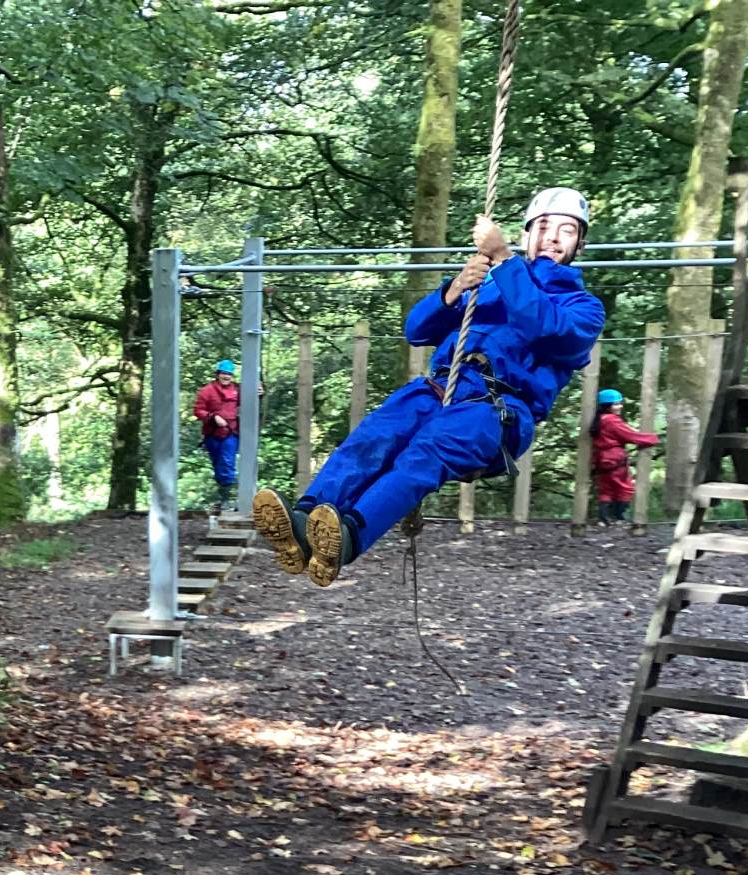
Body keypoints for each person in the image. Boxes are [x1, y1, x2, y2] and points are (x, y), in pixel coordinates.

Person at [254, 189, 607, 586]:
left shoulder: (583, 308)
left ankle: (349, 536)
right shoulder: (489, 285)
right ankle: (304, 524)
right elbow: (416, 330)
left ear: (580, 244)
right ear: (527, 234)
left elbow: (542, 327)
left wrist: (505, 260)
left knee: (424, 454)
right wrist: (454, 290)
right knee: (373, 437)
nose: (552, 237)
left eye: (566, 231)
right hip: (441, 387)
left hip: (497, 408)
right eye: (542, 227)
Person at [589, 388, 659, 525]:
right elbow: (629, 435)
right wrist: (652, 439)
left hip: (601, 459)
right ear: (607, 406)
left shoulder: (599, 419)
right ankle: (619, 518)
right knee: (625, 487)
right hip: (614, 458)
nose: (620, 406)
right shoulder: (612, 420)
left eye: (620, 403)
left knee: (606, 488)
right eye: (616, 404)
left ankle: (603, 519)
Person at [192, 359, 242, 512]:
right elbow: (198, 410)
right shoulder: (207, 391)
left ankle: (228, 499)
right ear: (218, 374)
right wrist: (212, 417)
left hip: (230, 433)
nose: (226, 376)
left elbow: (251, 400)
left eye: (229, 374)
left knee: (228, 462)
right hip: (212, 435)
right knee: (218, 465)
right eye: (224, 373)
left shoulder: (238, 390)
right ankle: (223, 498)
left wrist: (260, 393)